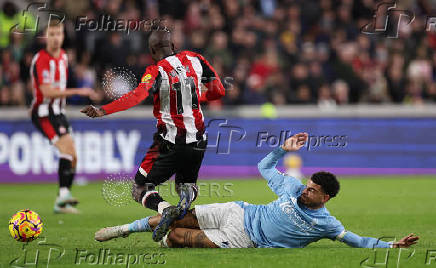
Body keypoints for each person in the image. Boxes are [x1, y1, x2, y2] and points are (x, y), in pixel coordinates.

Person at [94, 133, 419, 249]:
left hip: (243, 239)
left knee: (177, 236)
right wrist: (282, 148)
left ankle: (165, 228)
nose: (306, 191)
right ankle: (121, 230)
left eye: (314, 190)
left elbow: (356, 241)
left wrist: (391, 245)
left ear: (326, 198)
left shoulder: (327, 225)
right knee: (180, 216)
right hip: (240, 211)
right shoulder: (292, 187)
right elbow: (265, 167)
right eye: (308, 185)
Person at [81, 25, 225, 242]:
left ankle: (165, 208)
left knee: (139, 188)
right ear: (174, 46)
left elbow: (137, 96)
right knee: (184, 184)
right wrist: (192, 97)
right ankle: (185, 199)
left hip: (170, 143)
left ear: (152, 52)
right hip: (199, 140)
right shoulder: (196, 59)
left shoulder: (155, 71)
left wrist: (103, 110)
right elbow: (218, 91)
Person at [30, 19, 94, 214]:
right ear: (45, 37)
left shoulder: (64, 57)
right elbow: (48, 92)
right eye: (52, 34)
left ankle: (61, 200)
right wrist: (79, 91)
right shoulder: (41, 59)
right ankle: (63, 196)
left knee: (73, 156)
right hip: (44, 114)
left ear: (63, 36)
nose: (55, 38)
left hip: (59, 112)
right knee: (67, 149)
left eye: (58, 34)